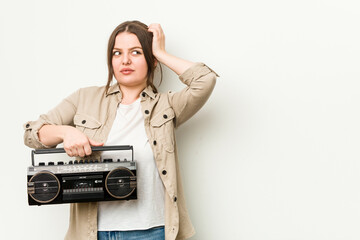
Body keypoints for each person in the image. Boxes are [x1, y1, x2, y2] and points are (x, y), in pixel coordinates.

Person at [24, 20, 217, 240]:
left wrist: (160, 52)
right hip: (93, 233)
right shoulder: (84, 98)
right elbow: (32, 134)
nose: (125, 60)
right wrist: (65, 133)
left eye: (135, 52)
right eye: (117, 53)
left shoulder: (167, 105)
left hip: (152, 231)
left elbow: (205, 79)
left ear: (151, 60)